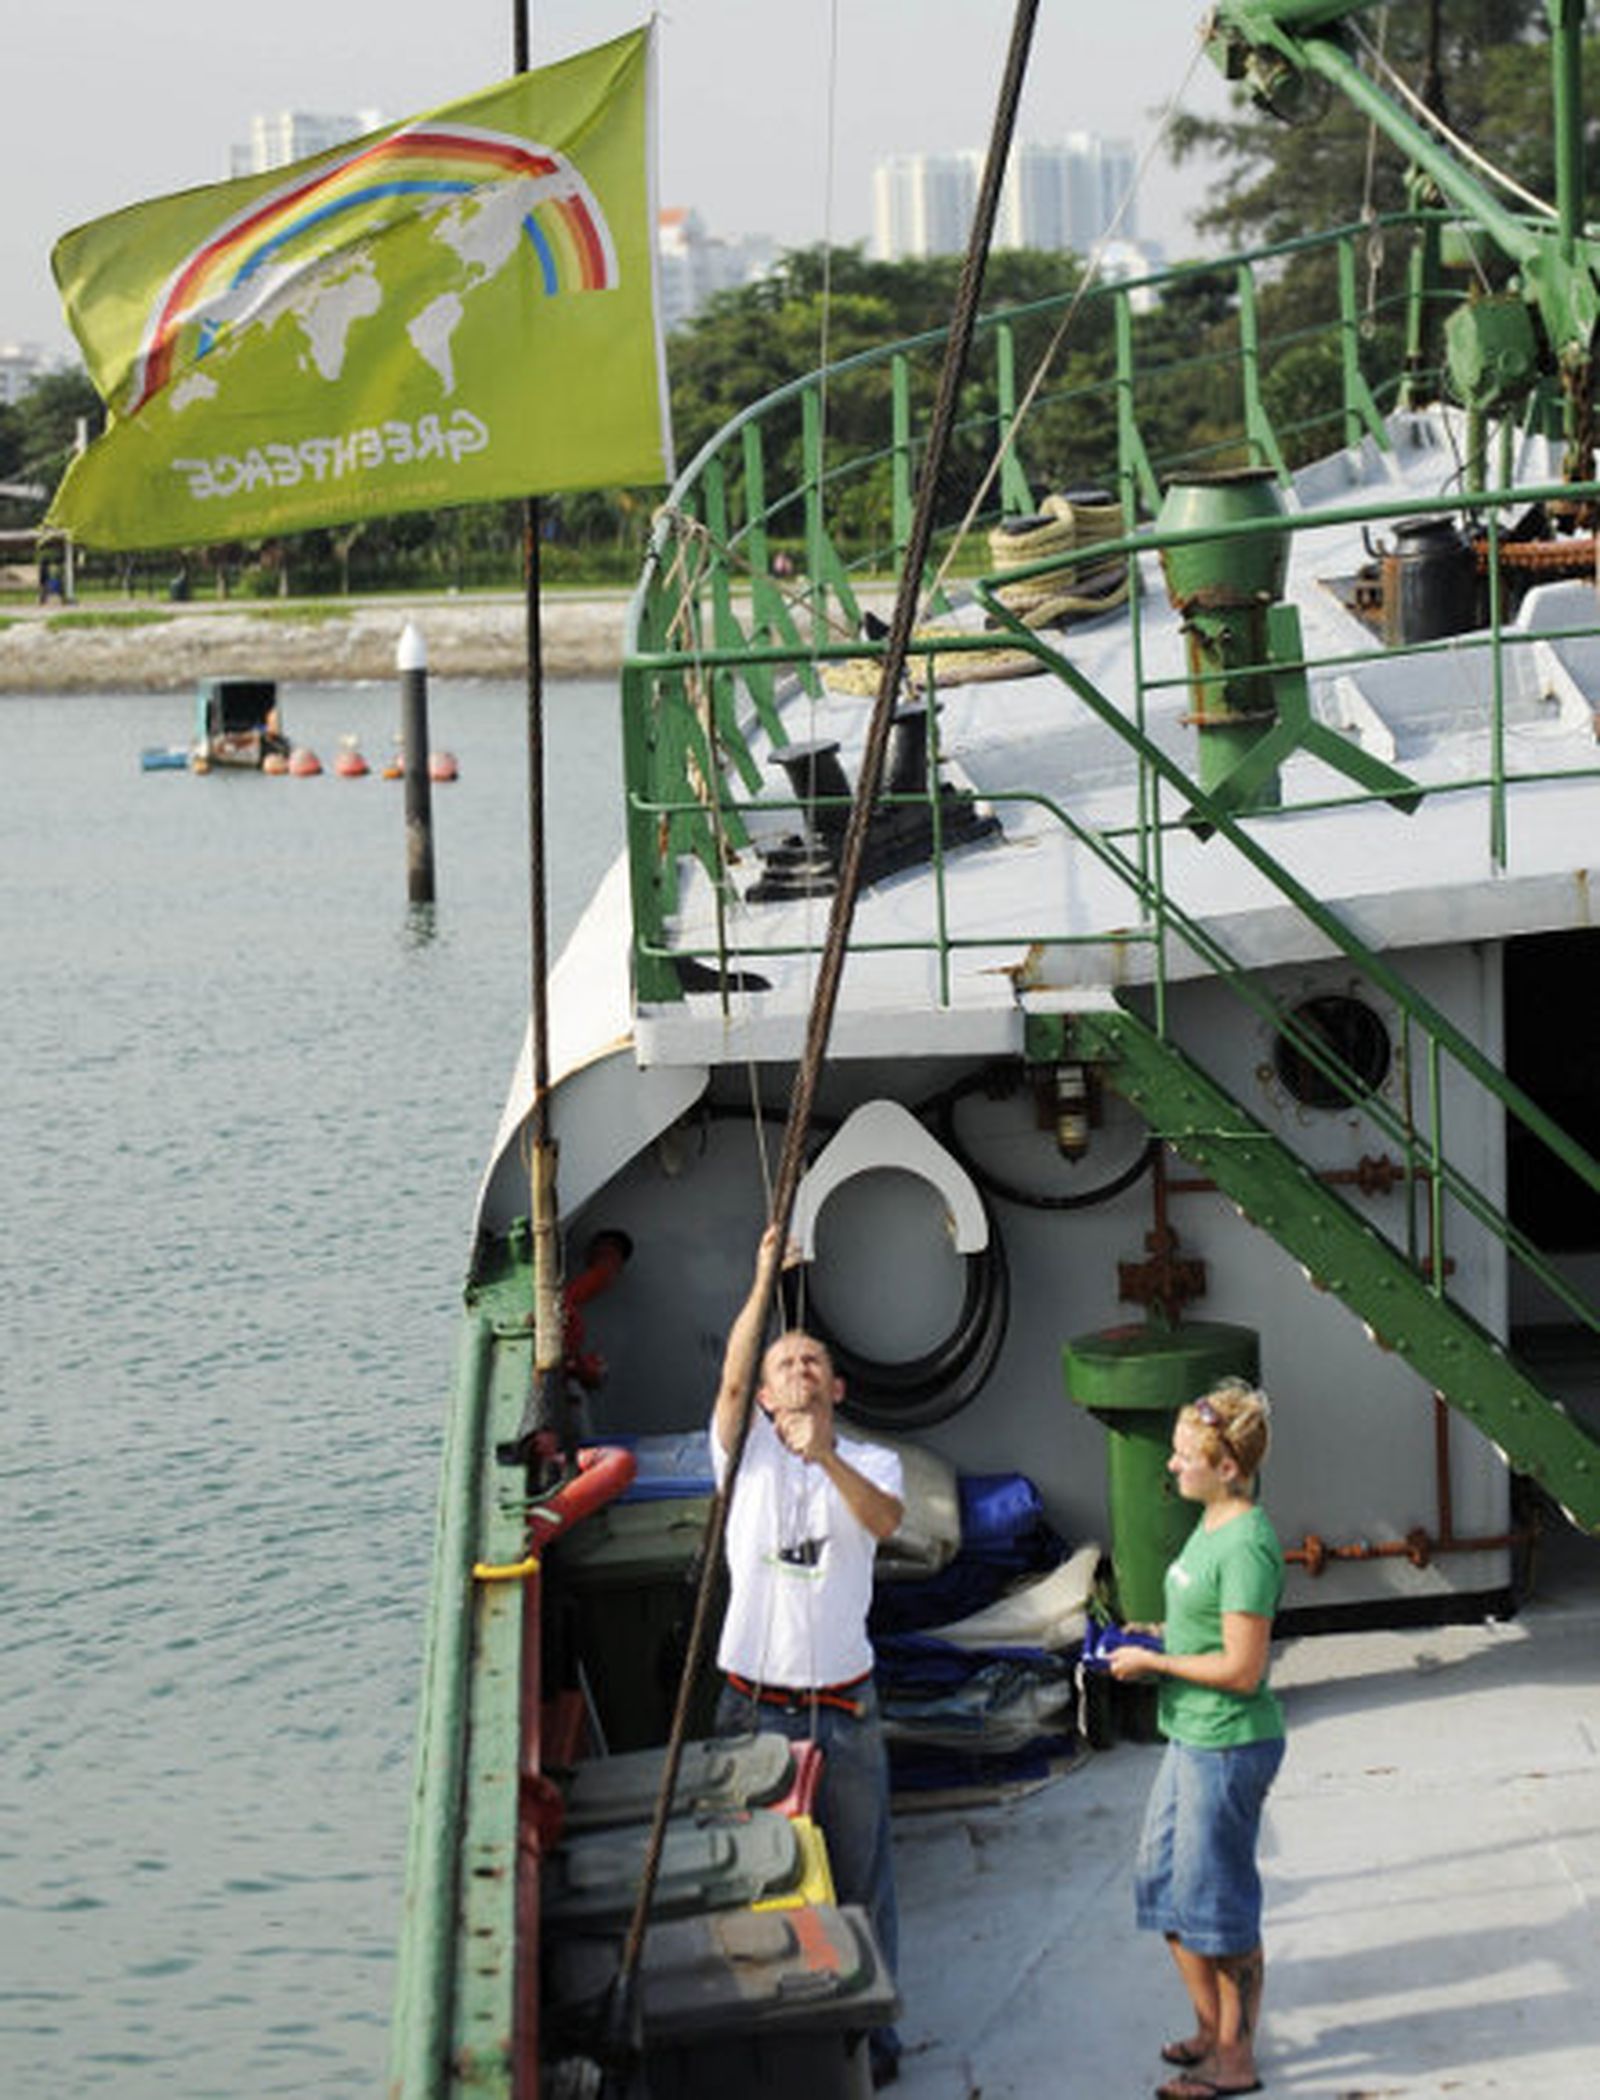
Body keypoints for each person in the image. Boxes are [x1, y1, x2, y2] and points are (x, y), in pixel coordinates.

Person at [710, 1225, 906, 2088]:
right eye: (784, 1363)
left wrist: (823, 1455)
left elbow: (884, 1522)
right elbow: (732, 1370)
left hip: (846, 1709)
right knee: (756, 1881)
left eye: (811, 1362)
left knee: (861, 1882)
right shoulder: (743, 1455)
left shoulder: (870, 1461)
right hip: (752, 1707)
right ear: (761, 1393)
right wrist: (762, 1278)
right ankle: (775, 2038)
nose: (797, 1369)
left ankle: (874, 2042)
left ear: (837, 1386)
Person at [1109, 1377, 1285, 2100]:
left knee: (1219, 1903)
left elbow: (1243, 1669)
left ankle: (1235, 2062)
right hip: (1189, 1734)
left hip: (1227, 1744)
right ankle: (1211, 2035)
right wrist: (1157, 1635)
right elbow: (1208, 1626)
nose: (1173, 1466)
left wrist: (1155, 1662)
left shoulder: (1247, 1541)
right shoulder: (1209, 1523)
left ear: (1230, 1469)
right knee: (1165, 1887)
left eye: (1187, 1457)